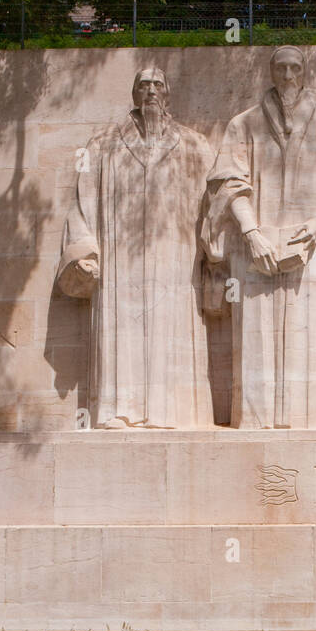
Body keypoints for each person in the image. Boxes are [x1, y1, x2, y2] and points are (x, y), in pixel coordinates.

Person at [201, 46, 316, 429]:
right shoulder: (243, 124)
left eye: (295, 67)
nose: (287, 75)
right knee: (257, 344)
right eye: (280, 67)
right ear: (271, 73)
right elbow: (228, 183)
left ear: (305, 73)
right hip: (256, 247)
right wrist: (250, 232)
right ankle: (257, 428)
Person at [56, 67, 216, 429]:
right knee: (121, 329)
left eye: (158, 85)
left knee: (171, 328)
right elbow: (82, 203)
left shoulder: (194, 144)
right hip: (119, 261)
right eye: (143, 85)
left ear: (168, 93)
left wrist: (214, 261)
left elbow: (215, 207)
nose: (151, 92)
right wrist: (84, 252)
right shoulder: (103, 144)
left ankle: (173, 412)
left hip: (176, 261)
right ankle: (118, 410)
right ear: (133, 94)